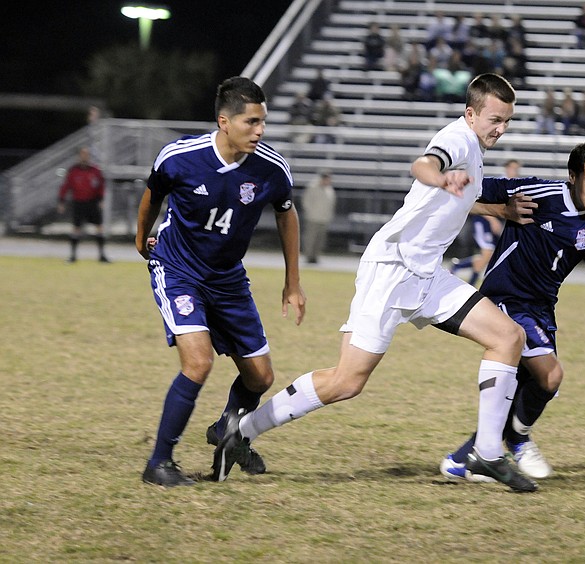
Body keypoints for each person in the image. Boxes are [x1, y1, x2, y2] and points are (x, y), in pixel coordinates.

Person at [211, 73, 538, 493]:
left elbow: (454, 199)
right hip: (392, 268)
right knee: (347, 381)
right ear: (471, 113)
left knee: (508, 337)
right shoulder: (457, 140)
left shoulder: (474, 146)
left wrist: (498, 210)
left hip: (427, 273)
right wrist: (438, 176)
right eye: (495, 119)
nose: (502, 128)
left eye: (507, 121)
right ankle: (241, 430)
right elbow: (424, 165)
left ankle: (487, 453)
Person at [440, 141, 585, 482]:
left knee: (538, 384)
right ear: (573, 177)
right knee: (550, 375)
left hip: (541, 308)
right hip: (505, 298)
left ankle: (463, 458)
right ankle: (517, 439)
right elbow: (474, 188)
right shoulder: (536, 192)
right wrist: (485, 201)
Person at [135, 76, 306, 487]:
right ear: (224, 121)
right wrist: (141, 239)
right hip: (178, 270)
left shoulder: (271, 168)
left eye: (263, 122)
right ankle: (159, 463)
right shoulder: (180, 157)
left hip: (228, 279)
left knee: (260, 377)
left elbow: (286, 214)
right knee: (198, 363)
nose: (260, 131)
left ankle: (227, 430)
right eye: (251, 122)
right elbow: (152, 194)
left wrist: (293, 282)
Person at [451, 159, 519, 285]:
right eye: (513, 168)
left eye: (516, 169)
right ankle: (469, 282)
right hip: (482, 221)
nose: (515, 172)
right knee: (488, 253)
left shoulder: (512, 185)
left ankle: (460, 267)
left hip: (489, 222)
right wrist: (493, 220)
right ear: (507, 168)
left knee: (487, 255)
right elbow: (483, 204)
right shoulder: (501, 183)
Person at [57, 146, 109, 263]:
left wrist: (100, 200)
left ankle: (102, 255)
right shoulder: (73, 170)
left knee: (99, 228)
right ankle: (73, 256)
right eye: (82, 154)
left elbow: (100, 186)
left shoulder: (95, 170)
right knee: (76, 228)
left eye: (86, 154)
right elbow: (65, 186)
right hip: (78, 203)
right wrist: (61, 201)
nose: (84, 157)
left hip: (92, 202)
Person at [301, 170, 336, 264]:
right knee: (310, 238)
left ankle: (315, 256)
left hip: (324, 218)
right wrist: (310, 212)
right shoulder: (313, 187)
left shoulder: (329, 189)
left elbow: (331, 204)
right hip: (313, 217)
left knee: (320, 240)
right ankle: (309, 256)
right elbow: (306, 201)